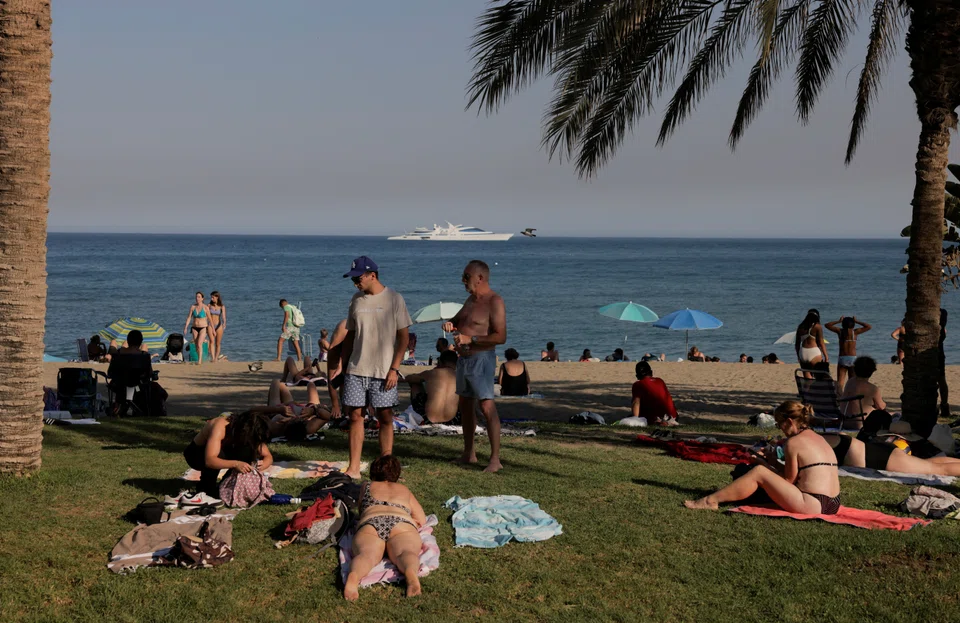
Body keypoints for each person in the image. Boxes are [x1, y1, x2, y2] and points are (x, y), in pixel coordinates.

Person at [685, 401, 841, 514]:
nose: (779, 429)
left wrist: (762, 463)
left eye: (779, 424)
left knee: (758, 471)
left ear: (789, 421)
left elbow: (788, 482)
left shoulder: (793, 442)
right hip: (833, 504)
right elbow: (797, 475)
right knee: (761, 471)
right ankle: (714, 499)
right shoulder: (819, 438)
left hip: (812, 503)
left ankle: (710, 501)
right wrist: (772, 461)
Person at [341, 256, 411, 480]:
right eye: (353, 279)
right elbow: (350, 336)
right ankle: (353, 467)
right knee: (354, 416)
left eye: (358, 278)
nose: (355, 283)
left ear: (373, 275)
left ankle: (387, 465)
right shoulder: (356, 300)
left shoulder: (394, 299)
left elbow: (403, 338)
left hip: (383, 370)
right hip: (356, 368)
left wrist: (394, 368)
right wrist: (342, 367)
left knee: (386, 417)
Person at [442, 259, 507, 473]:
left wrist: (472, 340)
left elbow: (500, 336)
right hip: (464, 360)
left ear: (480, 278)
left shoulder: (494, 301)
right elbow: (459, 321)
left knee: (487, 407)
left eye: (466, 276)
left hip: (482, 359)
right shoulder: (470, 300)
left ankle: (495, 459)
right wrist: (450, 324)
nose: (463, 280)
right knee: (466, 406)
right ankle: (468, 453)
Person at [343, 455, 427, 601]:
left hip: (372, 522)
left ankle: (355, 575)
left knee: (366, 555)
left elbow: (362, 509)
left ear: (373, 472)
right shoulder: (403, 489)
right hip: (401, 523)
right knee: (406, 552)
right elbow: (421, 519)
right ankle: (409, 572)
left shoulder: (366, 486)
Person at [183, 410, 274, 500]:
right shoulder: (220, 426)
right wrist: (236, 464)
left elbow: (268, 456)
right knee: (219, 454)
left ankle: (228, 485)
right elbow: (210, 460)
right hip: (196, 455)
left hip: (221, 453)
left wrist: (261, 465)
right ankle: (206, 487)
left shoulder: (250, 434)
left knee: (249, 450)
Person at [821, 431, 960, 476]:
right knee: (928, 464)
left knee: (935, 470)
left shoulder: (813, 442)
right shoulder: (824, 437)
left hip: (880, 458)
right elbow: (843, 435)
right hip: (877, 451)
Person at [403, 350, 459, 423]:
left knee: (415, 384)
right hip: (454, 421)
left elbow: (409, 378)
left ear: (440, 362)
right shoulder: (461, 376)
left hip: (427, 419)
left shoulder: (432, 372)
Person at [263, 378, 331, 439]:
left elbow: (254, 410)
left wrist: (279, 409)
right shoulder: (308, 428)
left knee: (277, 382)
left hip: (279, 409)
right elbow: (327, 416)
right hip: (308, 409)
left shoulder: (272, 425)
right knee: (311, 385)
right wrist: (313, 410)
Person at [825, 316, 871, 392]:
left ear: (843, 324)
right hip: (852, 358)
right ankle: (850, 397)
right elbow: (868, 326)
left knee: (840, 382)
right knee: (852, 381)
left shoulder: (840, 331)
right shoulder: (855, 332)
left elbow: (827, 325)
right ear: (853, 325)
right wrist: (857, 321)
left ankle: (839, 397)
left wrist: (838, 321)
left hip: (842, 358)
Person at [840, 357, 885, 426]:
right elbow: (881, 407)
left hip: (845, 421)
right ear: (872, 371)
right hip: (863, 423)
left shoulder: (850, 382)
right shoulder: (873, 389)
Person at [632, 361, 679, 426]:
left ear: (637, 376)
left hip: (656, 419)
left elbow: (636, 403)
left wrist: (635, 419)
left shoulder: (638, 385)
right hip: (672, 417)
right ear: (651, 372)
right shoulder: (660, 381)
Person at [183, 291, 210, 365]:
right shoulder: (193, 307)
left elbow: (210, 319)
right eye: (196, 297)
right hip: (194, 327)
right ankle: (199, 357)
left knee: (199, 344)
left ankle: (199, 361)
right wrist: (185, 327)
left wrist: (213, 330)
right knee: (196, 345)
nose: (197, 298)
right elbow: (189, 318)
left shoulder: (205, 307)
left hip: (203, 327)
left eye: (199, 297)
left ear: (202, 298)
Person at [277, 299, 303, 363]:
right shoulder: (293, 306)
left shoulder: (286, 307)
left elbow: (286, 316)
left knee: (280, 341)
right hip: (296, 327)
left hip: (290, 327)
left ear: (282, 304)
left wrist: (283, 325)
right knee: (296, 343)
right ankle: (299, 359)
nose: (283, 308)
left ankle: (278, 358)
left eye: (282, 307)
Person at [207, 291, 226, 363]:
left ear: (217, 297)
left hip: (219, 325)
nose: (212, 299)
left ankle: (215, 358)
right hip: (210, 325)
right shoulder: (209, 305)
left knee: (218, 343)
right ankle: (212, 357)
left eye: (213, 297)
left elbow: (223, 316)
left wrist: (224, 323)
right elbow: (206, 316)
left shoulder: (222, 306)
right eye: (211, 297)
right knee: (212, 341)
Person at [939, 309, 950, 420]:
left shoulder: (939, 330)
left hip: (938, 355)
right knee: (941, 380)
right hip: (940, 354)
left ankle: (944, 405)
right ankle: (944, 405)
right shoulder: (942, 330)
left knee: (941, 380)